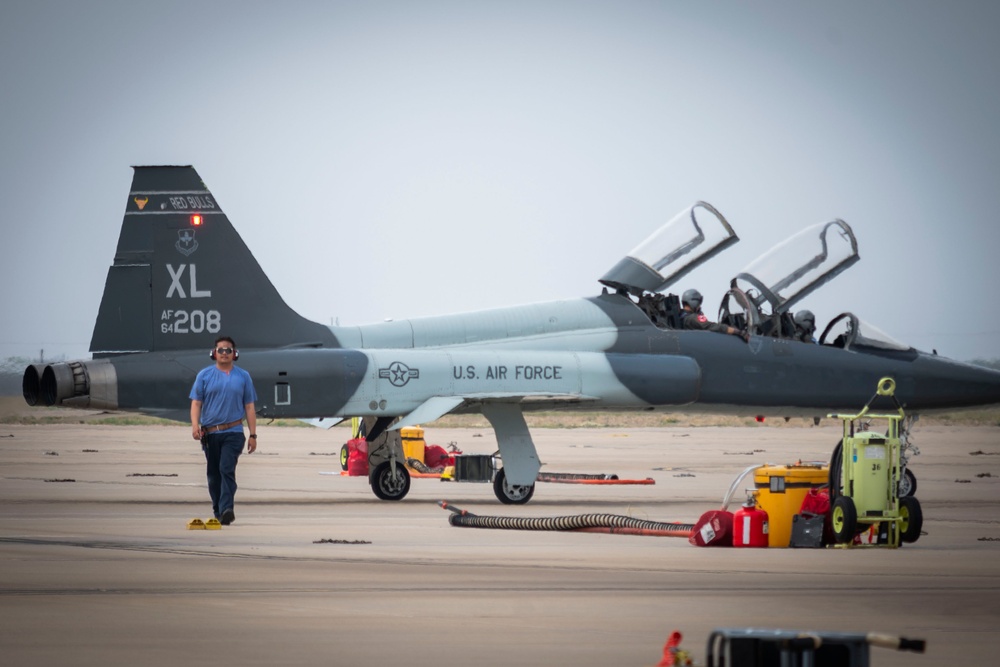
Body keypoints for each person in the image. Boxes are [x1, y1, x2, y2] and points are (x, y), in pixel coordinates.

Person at [190, 336, 258, 525]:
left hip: (234, 432)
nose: (225, 353)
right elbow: (196, 403)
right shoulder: (204, 375)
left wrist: (252, 435)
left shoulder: (243, 376)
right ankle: (218, 510)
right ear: (214, 353)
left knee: (226, 468)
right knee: (213, 474)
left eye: (229, 350)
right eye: (221, 350)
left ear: (235, 354)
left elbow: (250, 407)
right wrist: (195, 426)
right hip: (210, 433)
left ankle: (227, 508)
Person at [680, 288, 749, 342]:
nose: (699, 306)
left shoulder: (683, 317)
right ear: (694, 302)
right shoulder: (692, 318)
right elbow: (712, 326)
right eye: (699, 303)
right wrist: (737, 332)